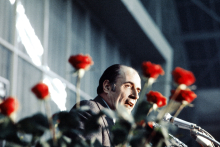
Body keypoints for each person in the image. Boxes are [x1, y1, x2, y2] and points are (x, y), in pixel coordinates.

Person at [69, 64, 141, 146]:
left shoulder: (122, 127)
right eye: (128, 86)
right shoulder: (91, 110)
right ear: (107, 87)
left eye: (138, 91)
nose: (136, 96)